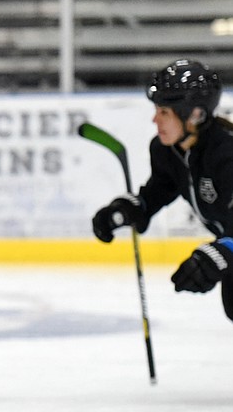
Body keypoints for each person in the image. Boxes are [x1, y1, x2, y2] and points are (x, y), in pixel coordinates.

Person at [92, 59, 233, 316]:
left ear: (195, 114)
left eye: (164, 112)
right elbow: (161, 187)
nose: (154, 119)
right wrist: (135, 207)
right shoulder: (167, 151)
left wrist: (225, 250)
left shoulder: (226, 154)